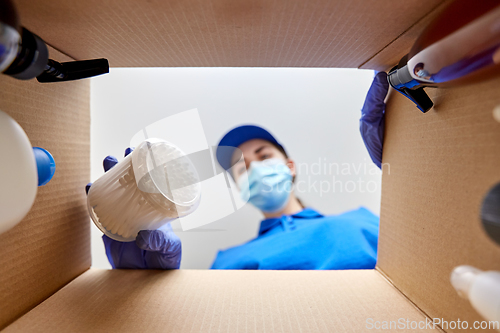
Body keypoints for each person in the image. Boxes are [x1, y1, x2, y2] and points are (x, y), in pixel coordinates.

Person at [86, 72, 389, 270]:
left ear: (290, 166)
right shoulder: (228, 262)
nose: (254, 167)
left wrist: (396, 166)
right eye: (241, 167)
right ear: (239, 187)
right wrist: (141, 287)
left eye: (263, 155)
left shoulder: (363, 223)